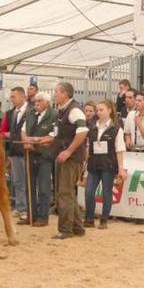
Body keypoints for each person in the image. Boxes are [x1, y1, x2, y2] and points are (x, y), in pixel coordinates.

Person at [48, 82, 88, 240]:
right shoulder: (63, 110)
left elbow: (83, 131)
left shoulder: (74, 110)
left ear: (65, 94)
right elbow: (58, 134)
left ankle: (65, 229)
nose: (54, 94)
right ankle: (77, 227)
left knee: (64, 193)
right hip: (67, 156)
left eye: (56, 92)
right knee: (68, 193)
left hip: (71, 158)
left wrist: (69, 151)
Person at [83, 100, 126, 229]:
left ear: (109, 110)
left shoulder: (116, 129)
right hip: (93, 164)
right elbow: (88, 146)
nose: (98, 112)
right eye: (98, 110)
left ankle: (104, 220)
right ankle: (89, 218)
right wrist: (84, 163)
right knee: (89, 192)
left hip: (109, 165)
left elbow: (119, 149)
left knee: (107, 192)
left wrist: (121, 168)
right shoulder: (92, 127)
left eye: (101, 110)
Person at [20, 92, 57, 227]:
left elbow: (53, 135)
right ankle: (31, 215)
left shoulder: (54, 115)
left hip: (45, 155)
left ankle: (43, 217)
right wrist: (26, 141)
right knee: (29, 185)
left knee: (44, 187)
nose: (36, 103)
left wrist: (35, 140)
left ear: (47, 102)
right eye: (35, 101)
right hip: (30, 154)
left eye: (40, 101)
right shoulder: (30, 113)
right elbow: (23, 130)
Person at [0, 87, 30, 216]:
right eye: (11, 97)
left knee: (28, 181)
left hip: (27, 150)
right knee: (17, 181)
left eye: (14, 96)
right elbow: (6, 131)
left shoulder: (32, 111)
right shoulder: (11, 113)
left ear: (22, 97)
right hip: (14, 150)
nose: (11, 99)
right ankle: (20, 206)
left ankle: (28, 208)